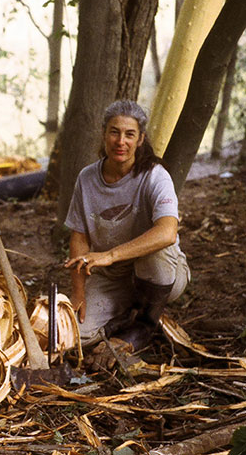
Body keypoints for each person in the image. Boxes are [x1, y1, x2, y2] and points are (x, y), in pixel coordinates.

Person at [64, 100, 190, 364]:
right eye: (114, 132)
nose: (121, 141)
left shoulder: (155, 175)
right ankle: (122, 317)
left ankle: (143, 325)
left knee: (154, 249)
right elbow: (79, 237)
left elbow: (167, 232)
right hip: (114, 277)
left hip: (162, 273)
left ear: (140, 139)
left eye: (129, 134)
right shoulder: (86, 178)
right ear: (104, 134)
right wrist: (78, 293)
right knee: (76, 334)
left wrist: (110, 254)